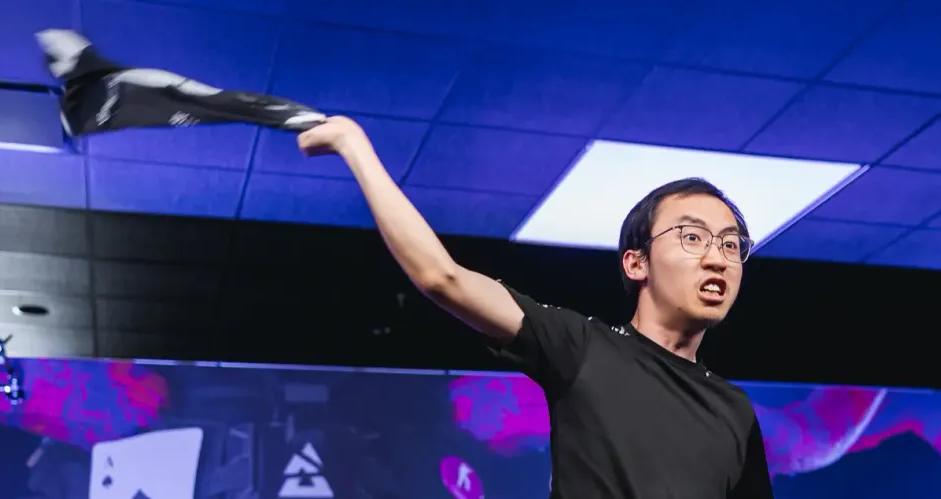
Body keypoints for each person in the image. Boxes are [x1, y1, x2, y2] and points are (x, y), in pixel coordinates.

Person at [299, 116, 774, 498]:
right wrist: (353, 146)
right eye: (693, 237)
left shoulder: (734, 410)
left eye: (731, 244)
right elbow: (442, 277)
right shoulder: (582, 348)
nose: (718, 258)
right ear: (636, 263)